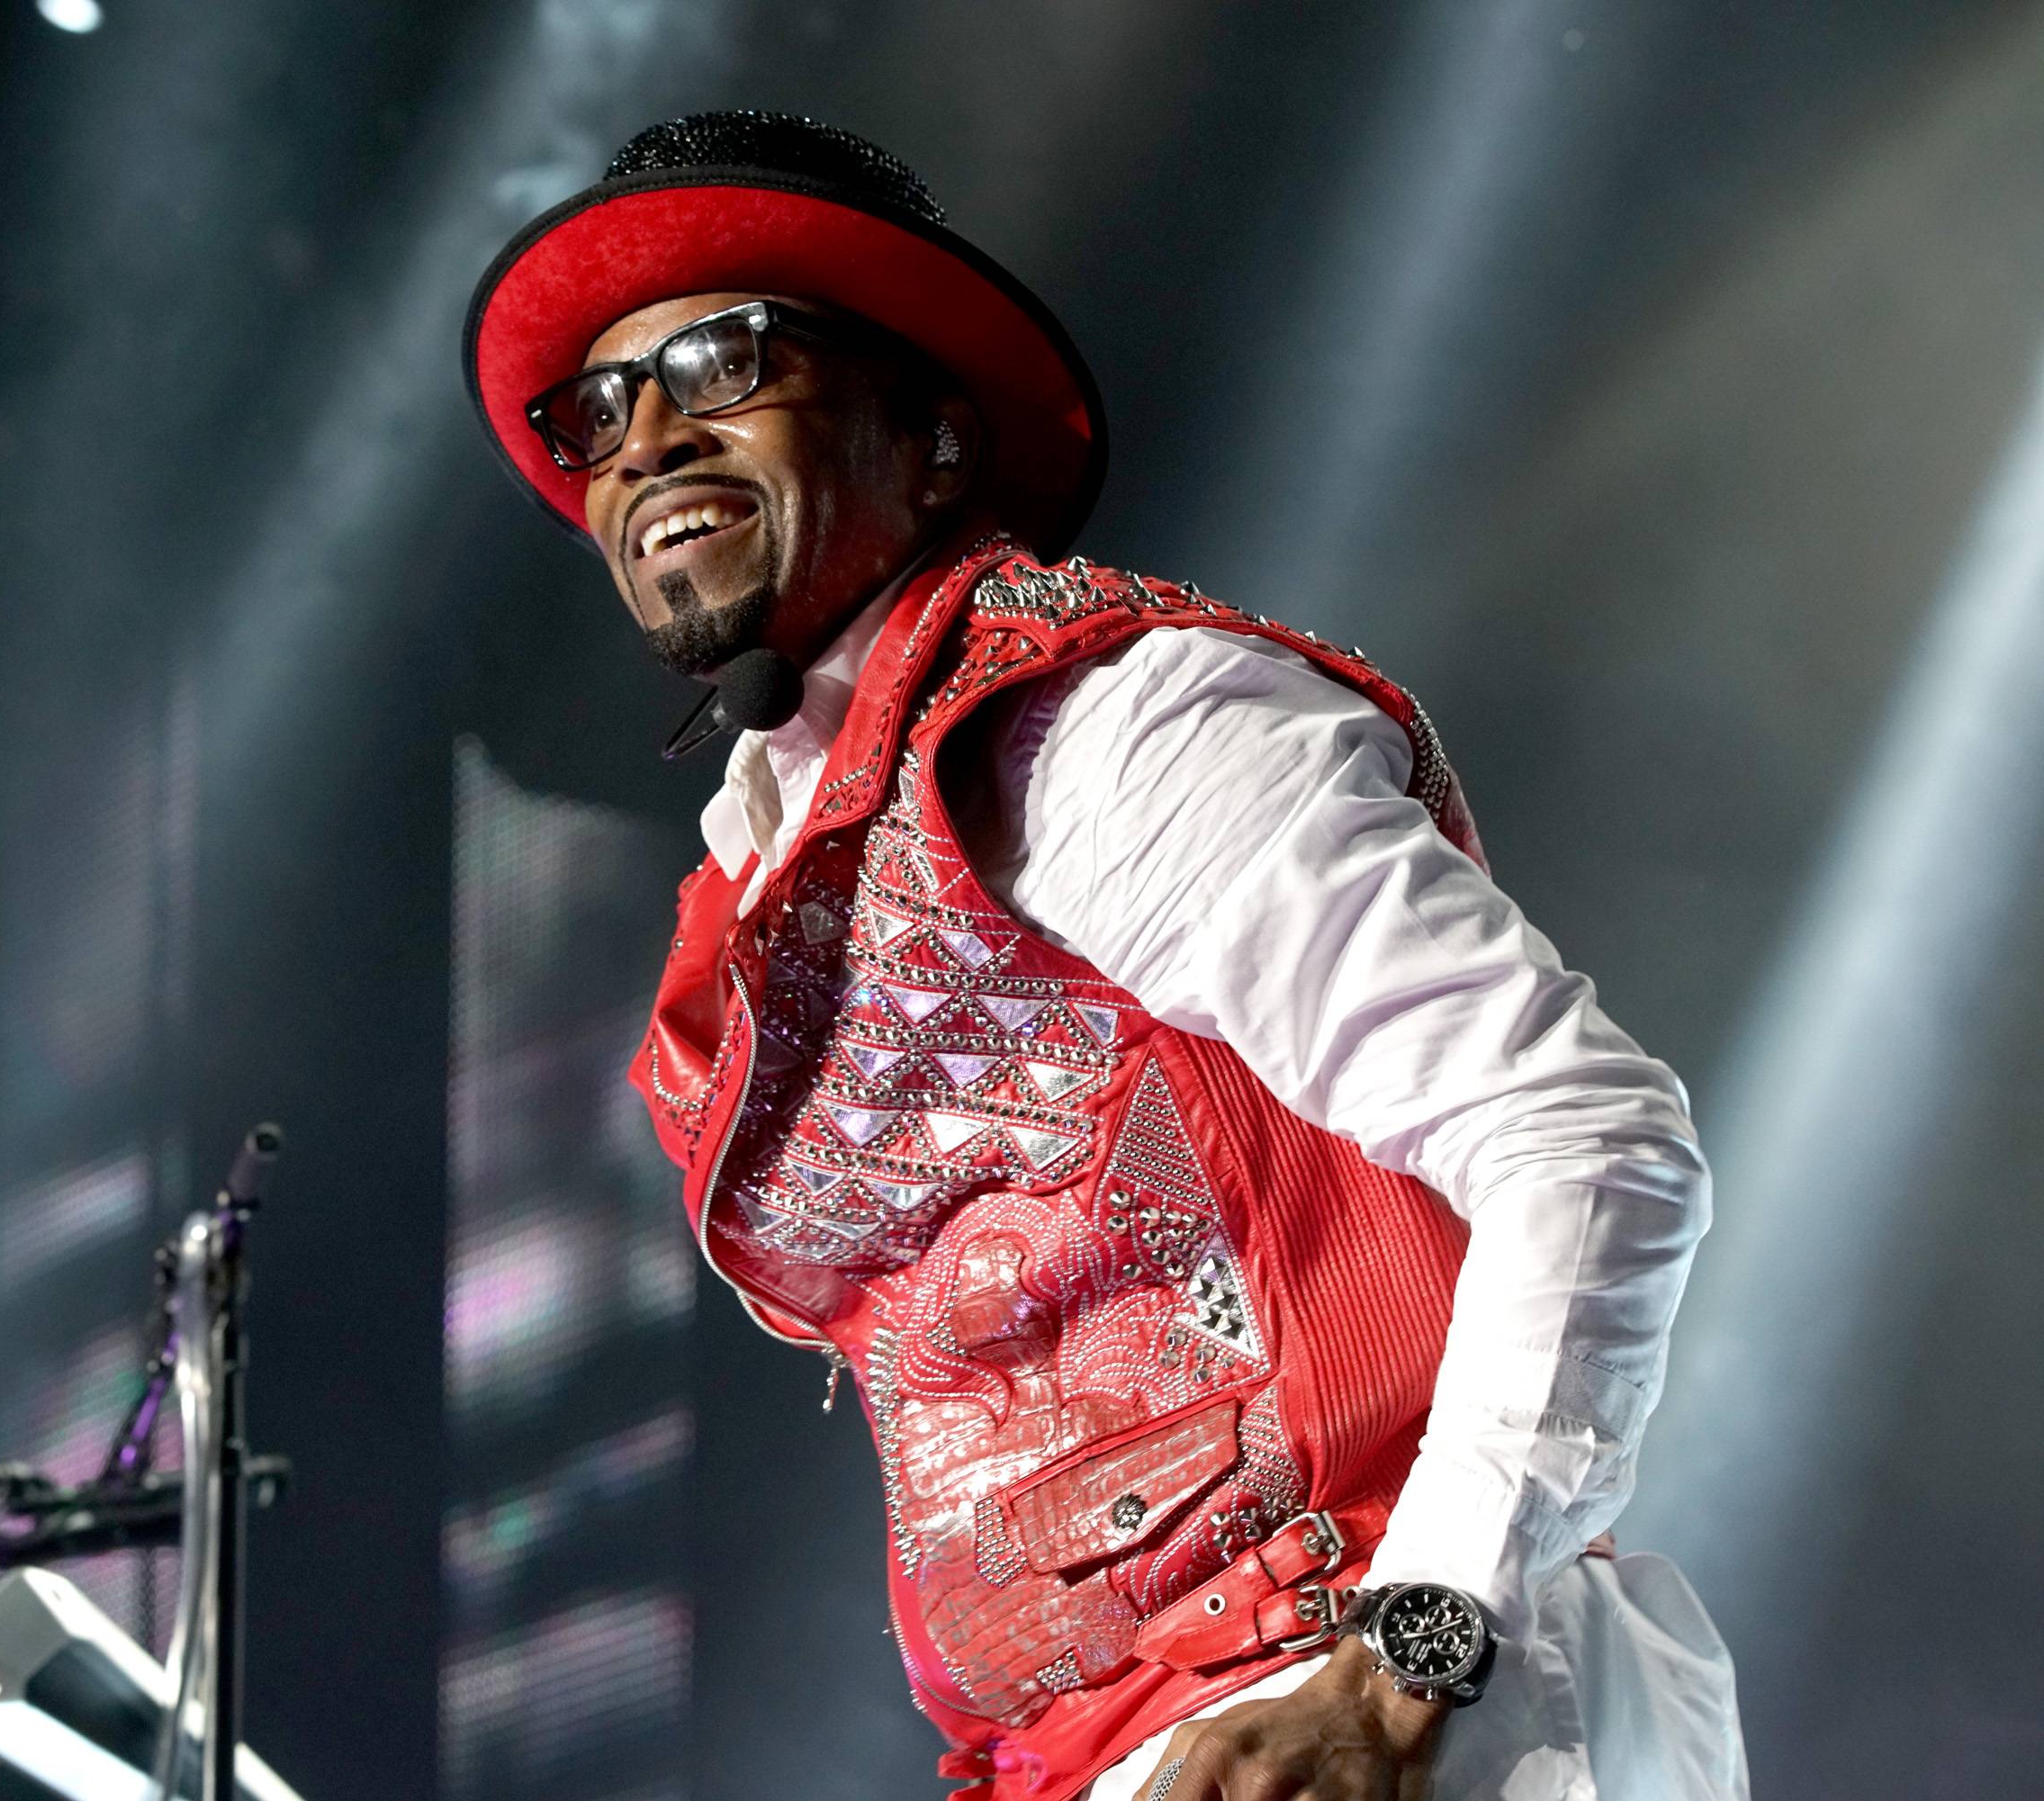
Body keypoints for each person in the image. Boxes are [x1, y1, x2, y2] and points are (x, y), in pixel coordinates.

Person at [463, 112, 1745, 1800]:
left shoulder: (1116, 726)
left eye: (722, 362)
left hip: (1361, 1703)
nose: (640, 445)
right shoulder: (762, 867)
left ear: (932, 441)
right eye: (597, 414)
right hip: (1125, 1750)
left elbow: (1586, 1142)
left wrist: (1411, 1658)